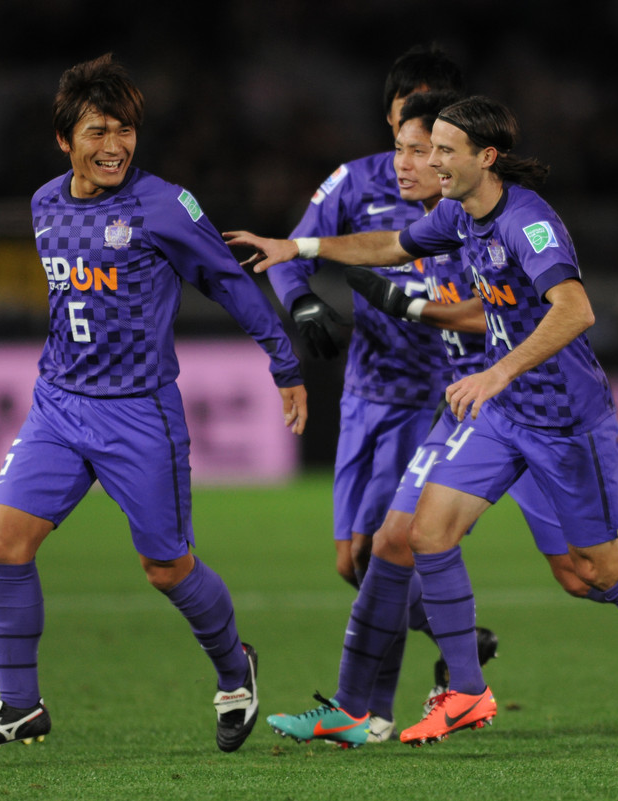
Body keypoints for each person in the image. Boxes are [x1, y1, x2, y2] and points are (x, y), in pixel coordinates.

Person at [224, 95, 618, 750]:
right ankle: (468, 689)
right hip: (503, 414)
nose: (431, 161)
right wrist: (296, 246)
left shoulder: (529, 224)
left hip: (564, 420)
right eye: (426, 148)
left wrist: (496, 371)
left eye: (444, 150)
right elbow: (390, 244)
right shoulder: (459, 213)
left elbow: (575, 310)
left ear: (485, 157)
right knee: (428, 531)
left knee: (598, 567)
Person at [0, 53, 308, 756]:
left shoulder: (164, 205)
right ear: (65, 139)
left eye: (126, 131)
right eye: (98, 131)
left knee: (166, 567)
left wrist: (284, 359)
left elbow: (227, 281)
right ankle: (21, 705)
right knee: (6, 541)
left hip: (139, 412)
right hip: (57, 404)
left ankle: (237, 672)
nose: (114, 146)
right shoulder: (44, 203)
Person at [263, 44, 495, 741]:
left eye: (429, 133)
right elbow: (290, 252)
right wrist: (301, 305)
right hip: (372, 393)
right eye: (403, 131)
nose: (412, 150)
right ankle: (452, 640)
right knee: (354, 557)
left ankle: (378, 704)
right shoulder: (355, 181)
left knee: (388, 546)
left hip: (445, 392)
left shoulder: (473, 198)